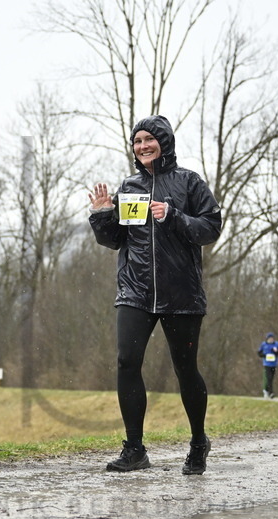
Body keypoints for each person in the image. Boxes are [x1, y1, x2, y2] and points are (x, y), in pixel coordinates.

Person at [88, 115, 223, 475]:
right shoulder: (129, 187)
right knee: (126, 362)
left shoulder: (189, 182)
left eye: (149, 139)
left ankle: (198, 442)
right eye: (137, 141)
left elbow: (211, 228)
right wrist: (102, 215)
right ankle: (134, 449)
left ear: (164, 142)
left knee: (185, 369)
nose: (143, 146)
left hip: (181, 294)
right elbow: (115, 239)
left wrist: (174, 215)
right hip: (135, 290)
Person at [257, 332, 278, 399]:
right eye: (270, 339)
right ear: (267, 339)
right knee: (269, 378)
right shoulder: (264, 345)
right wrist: (264, 355)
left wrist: (276, 351)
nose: (271, 340)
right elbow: (259, 353)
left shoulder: (276, 344)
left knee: (271, 378)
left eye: (272, 338)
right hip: (267, 364)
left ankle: (266, 390)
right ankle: (271, 392)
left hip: (274, 364)